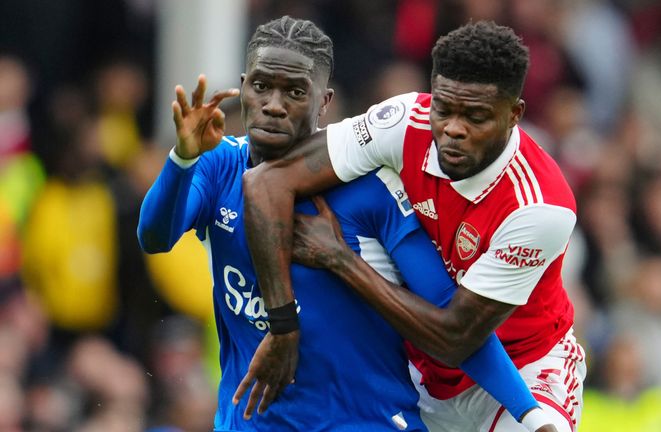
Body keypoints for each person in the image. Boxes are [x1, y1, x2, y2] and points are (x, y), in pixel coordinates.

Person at [138, 16, 549, 432]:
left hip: (364, 421)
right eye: (261, 86)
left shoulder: (371, 188)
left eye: (295, 92)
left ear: (325, 101)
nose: (274, 104)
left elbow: (452, 320)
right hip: (253, 422)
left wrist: (530, 415)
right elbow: (155, 237)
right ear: (244, 86)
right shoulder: (218, 165)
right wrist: (182, 159)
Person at [239, 20, 587, 432]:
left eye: (475, 116)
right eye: (444, 108)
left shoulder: (540, 205)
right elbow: (267, 181)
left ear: (514, 114)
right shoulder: (405, 121)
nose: (452, 129)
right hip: (420, 373)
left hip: (524, 367)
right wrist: (283, 326)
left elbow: (457, 338)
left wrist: (341, 260)